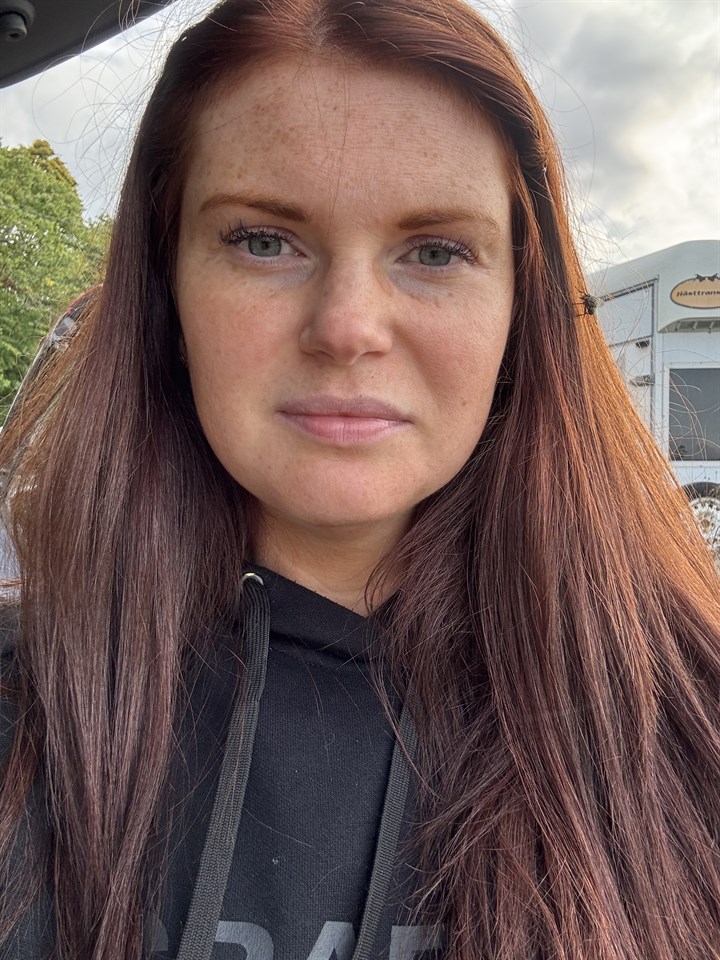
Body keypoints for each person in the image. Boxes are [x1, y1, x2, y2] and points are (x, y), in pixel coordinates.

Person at [1, 0, 719, 957]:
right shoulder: (27, 710)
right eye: (264, 240)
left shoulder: (688, 719)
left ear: (522, 308)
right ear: (166, 291)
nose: (347, 327)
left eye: (436, 251)